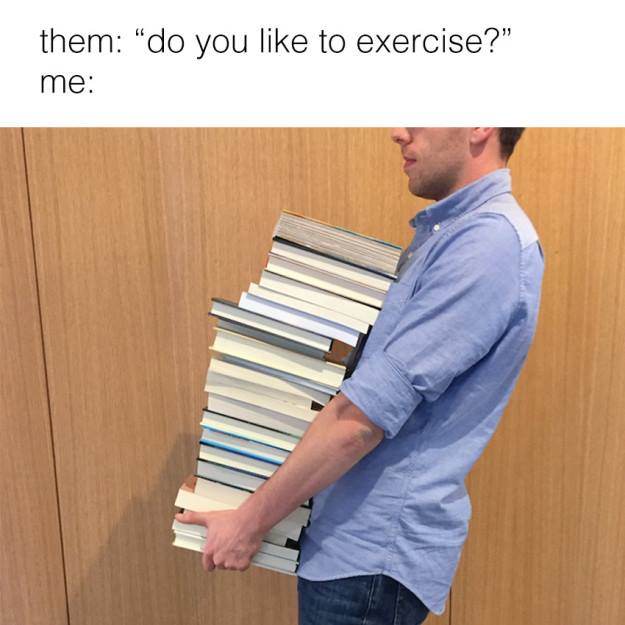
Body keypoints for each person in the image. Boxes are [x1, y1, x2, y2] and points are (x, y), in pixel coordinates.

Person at [176, 128, 544, 625]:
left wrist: (249, 521)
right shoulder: (449, 236)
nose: (399, 131)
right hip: (351, 552)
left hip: (370, 561)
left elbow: (362, 420)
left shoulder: (488, 242)